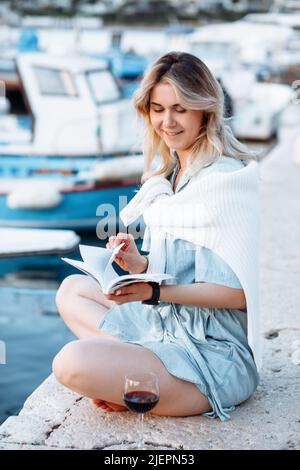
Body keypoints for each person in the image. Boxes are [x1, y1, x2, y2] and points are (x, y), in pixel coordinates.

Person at [52, 52, 261, 421]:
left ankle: (135, 375)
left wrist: (153, 291)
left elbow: (239, 294)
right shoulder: (175, 175)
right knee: (72, 290)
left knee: (71, 364)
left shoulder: (224, 181)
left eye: (180, 109)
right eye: (157, 108)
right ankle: (137, 369)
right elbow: (185, 266)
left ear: (204, 111)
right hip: (165, 325)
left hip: (210, 354)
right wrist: (140, 265)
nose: (167, 122)